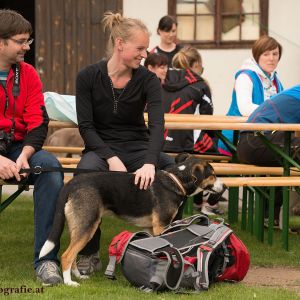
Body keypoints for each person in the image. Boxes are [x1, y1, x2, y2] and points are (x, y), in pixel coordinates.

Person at [75, 11, 175, 275]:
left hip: (138, 147)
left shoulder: (148, 79)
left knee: (174, 172)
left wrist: (150, 163)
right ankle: (88, 252)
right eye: (140, 48)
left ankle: (168, 244)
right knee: (85, 173)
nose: (144, 54)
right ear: (120, 44)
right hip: (101, 148)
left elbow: (157, 126)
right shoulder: (87, 76)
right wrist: (110, 157)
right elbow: (85, 127)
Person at [0, 9, 64, 285]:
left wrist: (25, 155)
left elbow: (38, 121)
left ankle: (46, 261)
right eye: (21, 41)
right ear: (1, 42)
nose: (27, 47)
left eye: (29, 40)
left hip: (18, 150)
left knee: (50, 167)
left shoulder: (28, 74)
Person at [146, 49, 223, 215]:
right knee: (221, 152)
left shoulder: (157, 80)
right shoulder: (201, 84)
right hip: (187, 147)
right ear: (196, 65)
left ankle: (193, 202)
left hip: (157, 145)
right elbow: (207, 120)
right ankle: (207, 203)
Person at [237, 85, 300, 225]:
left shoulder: (294, 92)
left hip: (251, 142)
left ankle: (271, 216)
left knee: (290, 159)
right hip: (255, 141)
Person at [219, 35, 284, 155]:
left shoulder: (275, 80)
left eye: (275, 54)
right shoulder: (245, 77)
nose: (271, 58)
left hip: (260, 138)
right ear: (256, 56)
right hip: (236, 139)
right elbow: (245, 108)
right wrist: (275, 113)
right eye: (266, 54)